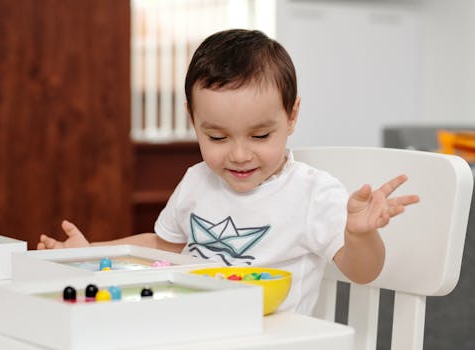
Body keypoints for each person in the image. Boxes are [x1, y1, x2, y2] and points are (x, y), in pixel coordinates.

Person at [37, 29, 419, 314]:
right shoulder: (196, 179)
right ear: (193, 120)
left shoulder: (312, 193)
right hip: (194, 326)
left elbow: (363, 272)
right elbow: (163, 245)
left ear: (292, 116)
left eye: (260, 135)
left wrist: (359, 235)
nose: (238, 154)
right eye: (217, 137)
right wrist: (92, 252)